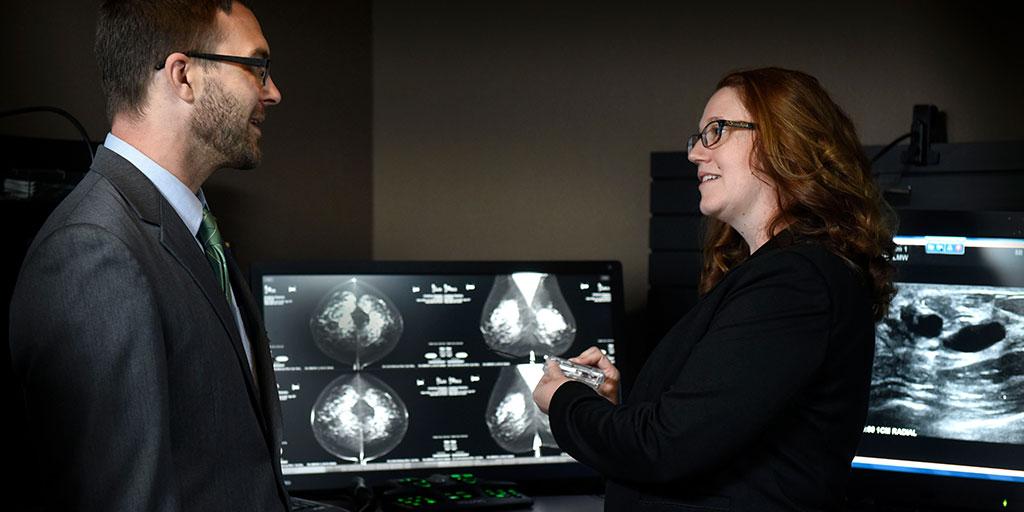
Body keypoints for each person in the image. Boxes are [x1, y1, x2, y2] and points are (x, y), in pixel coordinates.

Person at [534, 67, 896, 511]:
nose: (694, 154)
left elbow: (661, 448)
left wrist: (563, 399)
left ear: (786, 139)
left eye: (717, 131)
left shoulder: (795, 282)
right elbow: (695, 437)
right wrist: (605, 411)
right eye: (699, 136)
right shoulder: (781, 275)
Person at [8, 1, 287, 510]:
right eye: (256, 67)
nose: (272, 91)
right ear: (183, 76)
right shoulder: (94, 251)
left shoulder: (191, 227)